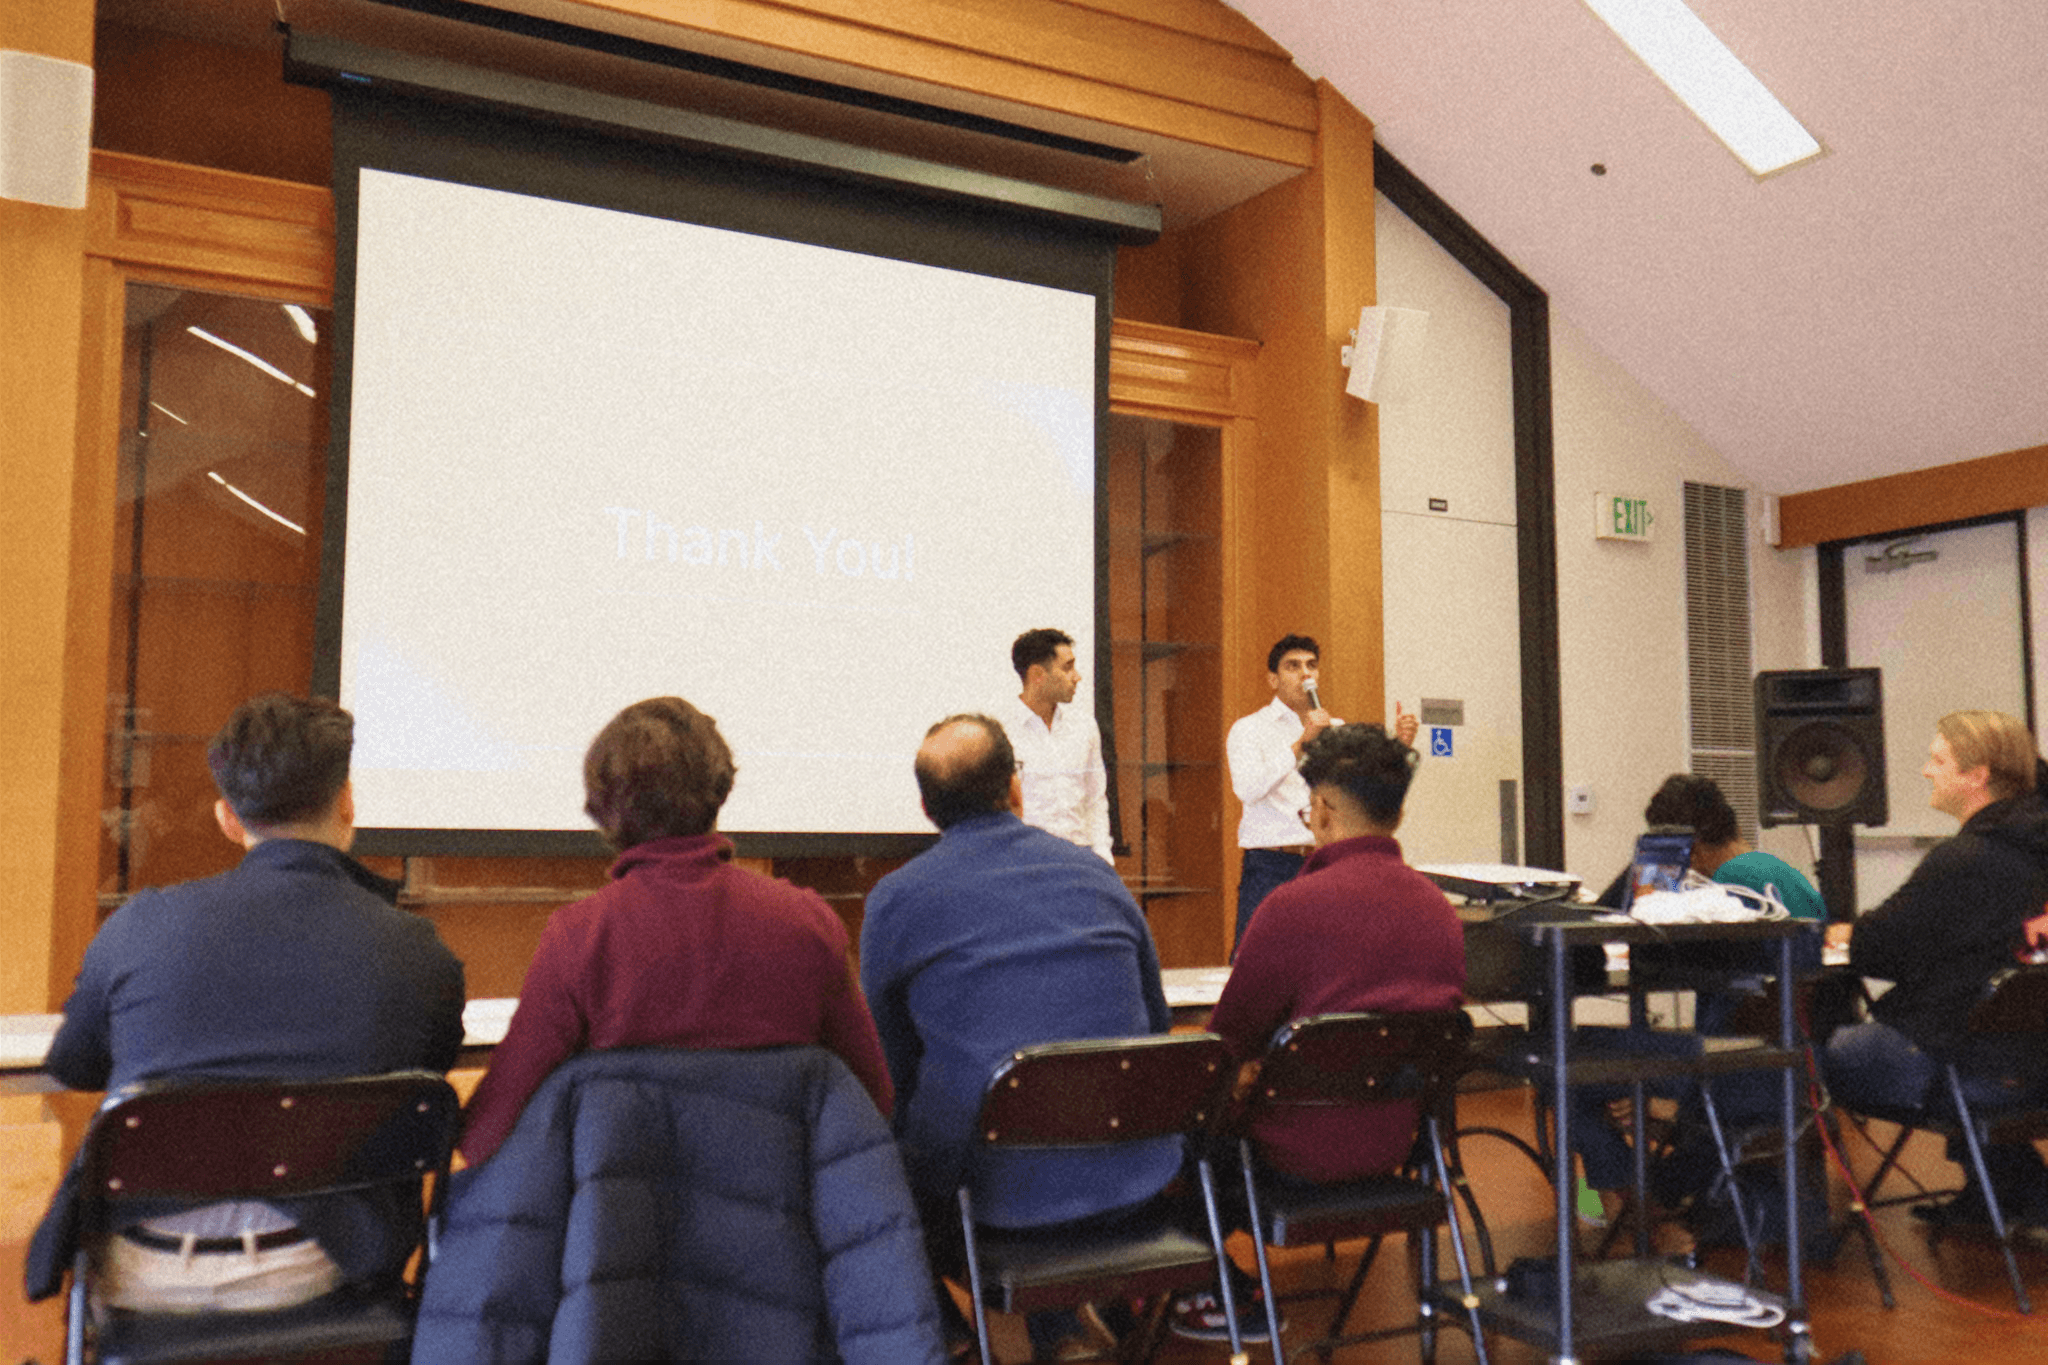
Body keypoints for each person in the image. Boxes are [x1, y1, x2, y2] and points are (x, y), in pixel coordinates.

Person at [27, 692, 467, 1312]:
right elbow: (426, 1072)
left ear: (228, 819)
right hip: (321, 1262)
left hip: (145, 1263)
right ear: (346, 802)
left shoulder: (140, 926)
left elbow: (74, 1066)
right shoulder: (418, 952)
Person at [459, 696, 893, 1165]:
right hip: (784, 1204)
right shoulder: (808, 924)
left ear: (603, 808)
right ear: (720, 789)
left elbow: (489, 1130)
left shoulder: (581, 938)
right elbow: (873, 1102)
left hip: (620, 1210)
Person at [860, 714, 1176, 1360]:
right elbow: (1158, 1028)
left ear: (926, 807)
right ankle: (1061, 1330)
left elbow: (889, 1072)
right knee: (1033, 1127)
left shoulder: (896, 900)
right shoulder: (1098, 877)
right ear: (1015, 787)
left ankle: (952, 1340)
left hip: (997, 1201)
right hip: (1135, 1182)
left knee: (863, 1171)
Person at [1172, 721, 1463, 1340]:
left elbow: (1226, 1046)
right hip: (1395, 1149)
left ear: (1323, 811)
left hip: (1290, 1158)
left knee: (1167, 1130)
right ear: (1398, 812)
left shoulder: (1290, 908)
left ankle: (1202, 1286)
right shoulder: (1440, 912)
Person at [1824, 710, 2048, 1224]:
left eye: (1939, 760)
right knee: (1970, 1017)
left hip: (1957, 1067)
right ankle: (2011, 1193)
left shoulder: (1966, 859)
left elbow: (1879, 950)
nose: (1927, 770)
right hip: (2032, 1068)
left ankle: (1785, 1221)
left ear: (1977, 775)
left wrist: (1848, 934)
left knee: (1798, 1062)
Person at [1225, 633, 1416, 950]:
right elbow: (1247, 789)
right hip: (1273, 864)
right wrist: (1302, 743)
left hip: (1330, 860)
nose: (1305, 674)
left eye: (1311, 665)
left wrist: (1400, 748)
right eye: (1293, 666)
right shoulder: (1249, 729)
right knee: (1262, 954)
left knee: (1333, 954)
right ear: (1273, 679)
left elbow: (1362, 790)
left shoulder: (1336, 729)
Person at [999, 626, 1112, 862]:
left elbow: (1095, 799)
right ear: (1037, 674)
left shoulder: (1084, 726)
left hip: (1078, 858)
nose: (1077, 677)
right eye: (1067, 667)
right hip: (1023, 859)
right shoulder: (999, 730)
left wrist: (1103, 856)